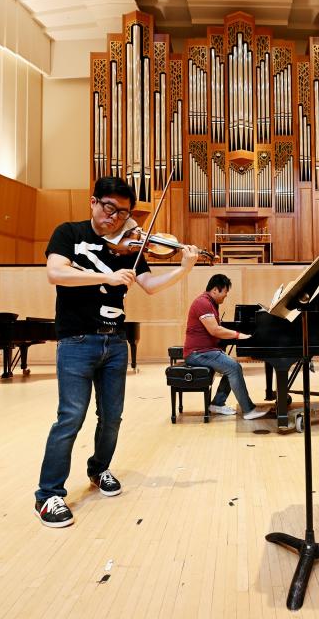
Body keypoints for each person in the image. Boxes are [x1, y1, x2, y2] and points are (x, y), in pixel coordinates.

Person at [34, 176, 199, 528]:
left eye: (124, 212)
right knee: (71, 417)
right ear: (94, 202)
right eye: (110, 208)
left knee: (112, 417)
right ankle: (48, 494)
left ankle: (99, 470)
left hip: (115, 342)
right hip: (76, 340)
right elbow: (56, 273)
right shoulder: (69, 233)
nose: (116, 217)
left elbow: (150, 286)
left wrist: (184, 268)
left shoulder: (131, 246)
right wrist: (105, 278)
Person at [183, 273, 267, 421]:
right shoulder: (203, 303)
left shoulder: (209, 302)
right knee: (234, 367)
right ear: (215, 290)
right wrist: (238, 335)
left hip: (205, 351)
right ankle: (248, 410)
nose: (225, 297)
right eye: (224, 293)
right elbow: (214, 330)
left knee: (233, 366)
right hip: (198, 353)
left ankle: (217, 403)